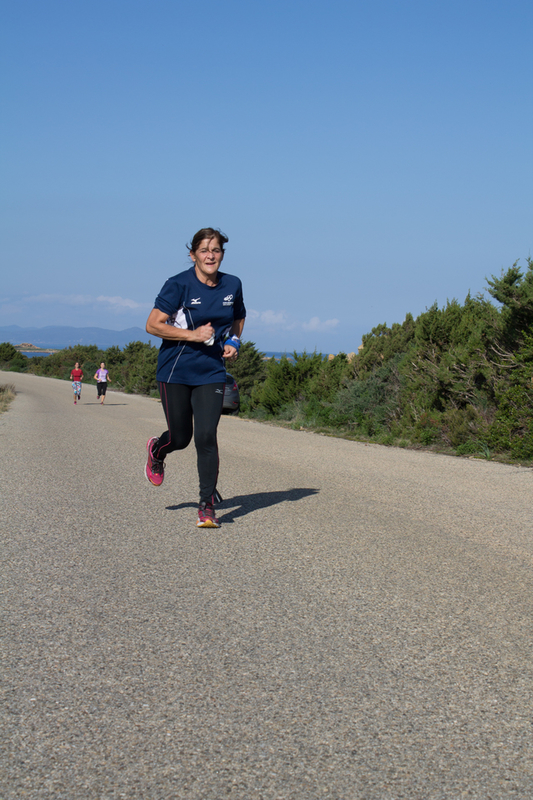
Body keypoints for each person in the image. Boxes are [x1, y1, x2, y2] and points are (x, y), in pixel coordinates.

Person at [145, 227, 246, 528]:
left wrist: (234, 342)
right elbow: (152, 325)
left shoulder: (233, 284)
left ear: (222, 255)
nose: (210, 255)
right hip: (175, 370)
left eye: (216, 250)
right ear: (193, 255)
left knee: (205, 436)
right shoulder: (177, 285)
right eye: (204, 250)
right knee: (181, 438)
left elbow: (239, 317)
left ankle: (206, 506)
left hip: (211, 372)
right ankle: (157, 451)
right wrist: (193, 335)